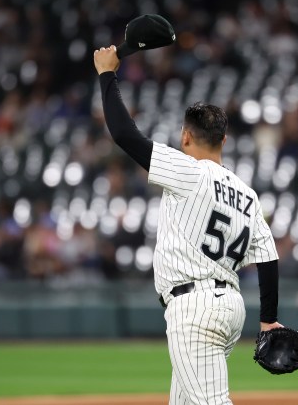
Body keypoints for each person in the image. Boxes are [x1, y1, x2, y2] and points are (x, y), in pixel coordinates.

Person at [94, 45, 281, 405]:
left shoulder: (188, 171)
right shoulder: (247, 194)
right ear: (223, 141)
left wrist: (107, 75)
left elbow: (124, 135)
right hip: (231, 309)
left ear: (185, 137)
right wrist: (269, 320)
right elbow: (268, 259)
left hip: (195, 307)